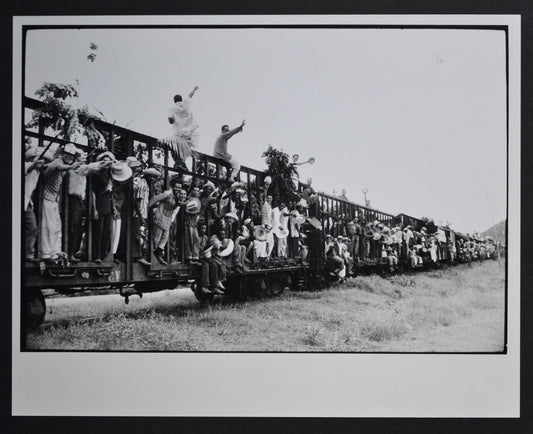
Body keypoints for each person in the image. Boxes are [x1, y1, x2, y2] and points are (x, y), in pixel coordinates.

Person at [67, 149, 111, 262]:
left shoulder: (105, 175)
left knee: (80, 229)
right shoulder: (78, 168)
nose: (85, 158)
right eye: (82, 156)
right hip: (76, 199)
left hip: (82, 200)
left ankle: (78, 252)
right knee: (76, 228)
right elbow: (91, 168)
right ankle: (73, 253)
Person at [40, 144, 82, 261]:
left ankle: (54, 251)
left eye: (72, 156)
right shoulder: (57, 161)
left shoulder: (65, 163)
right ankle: (46, 252)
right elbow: (58, 167)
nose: (70, 158)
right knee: (47, 226)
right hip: (46, 197)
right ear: (63, 154)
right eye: (68, 155)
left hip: (53, 199)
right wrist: (71, 166)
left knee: (56, 226)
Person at [160, 86, 200, 170]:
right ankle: (182, 163)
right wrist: (194, 89)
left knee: (173, 147)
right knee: (184, 148)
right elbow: (190, 95)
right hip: (189, 134)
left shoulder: (172, 109)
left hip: (179, 133)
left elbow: (170, 120)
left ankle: (179, 163)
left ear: (174, 101)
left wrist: (174, 119)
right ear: (181, 100)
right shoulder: (185, 103)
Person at [148, 176, 184, 265]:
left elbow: (172, 206)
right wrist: (147, 210)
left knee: (164, 240)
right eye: (176, 187)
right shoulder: (167, 193)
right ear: (172, 186)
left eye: (179, 188)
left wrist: (178, 204)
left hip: (167, 220)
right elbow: (154, 199)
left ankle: (158, 256)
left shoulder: (176, 196)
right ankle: (150, 258)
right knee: (155, 239)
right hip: (160, 218)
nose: (177, 189)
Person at [133, 167, 160, 265]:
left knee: (141, 235)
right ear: (147, 176)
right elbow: (136, 202)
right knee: (137, 236)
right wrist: (140, 217)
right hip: (136, 214)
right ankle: (137, 257)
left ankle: (140, 256)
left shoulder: (148, 186)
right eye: (151, 176)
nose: (152, 178)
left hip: (142, 214)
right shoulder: (142, 184)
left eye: (154, 177)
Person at [24, 142, 47, 260]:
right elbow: (27, 169)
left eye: (43, 160)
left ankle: (28, 253)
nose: (41, 162)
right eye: (39, 159)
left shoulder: (38, 171)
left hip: (27, 202)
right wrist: (34, 164)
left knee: (32, 228)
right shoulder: (26, 165)